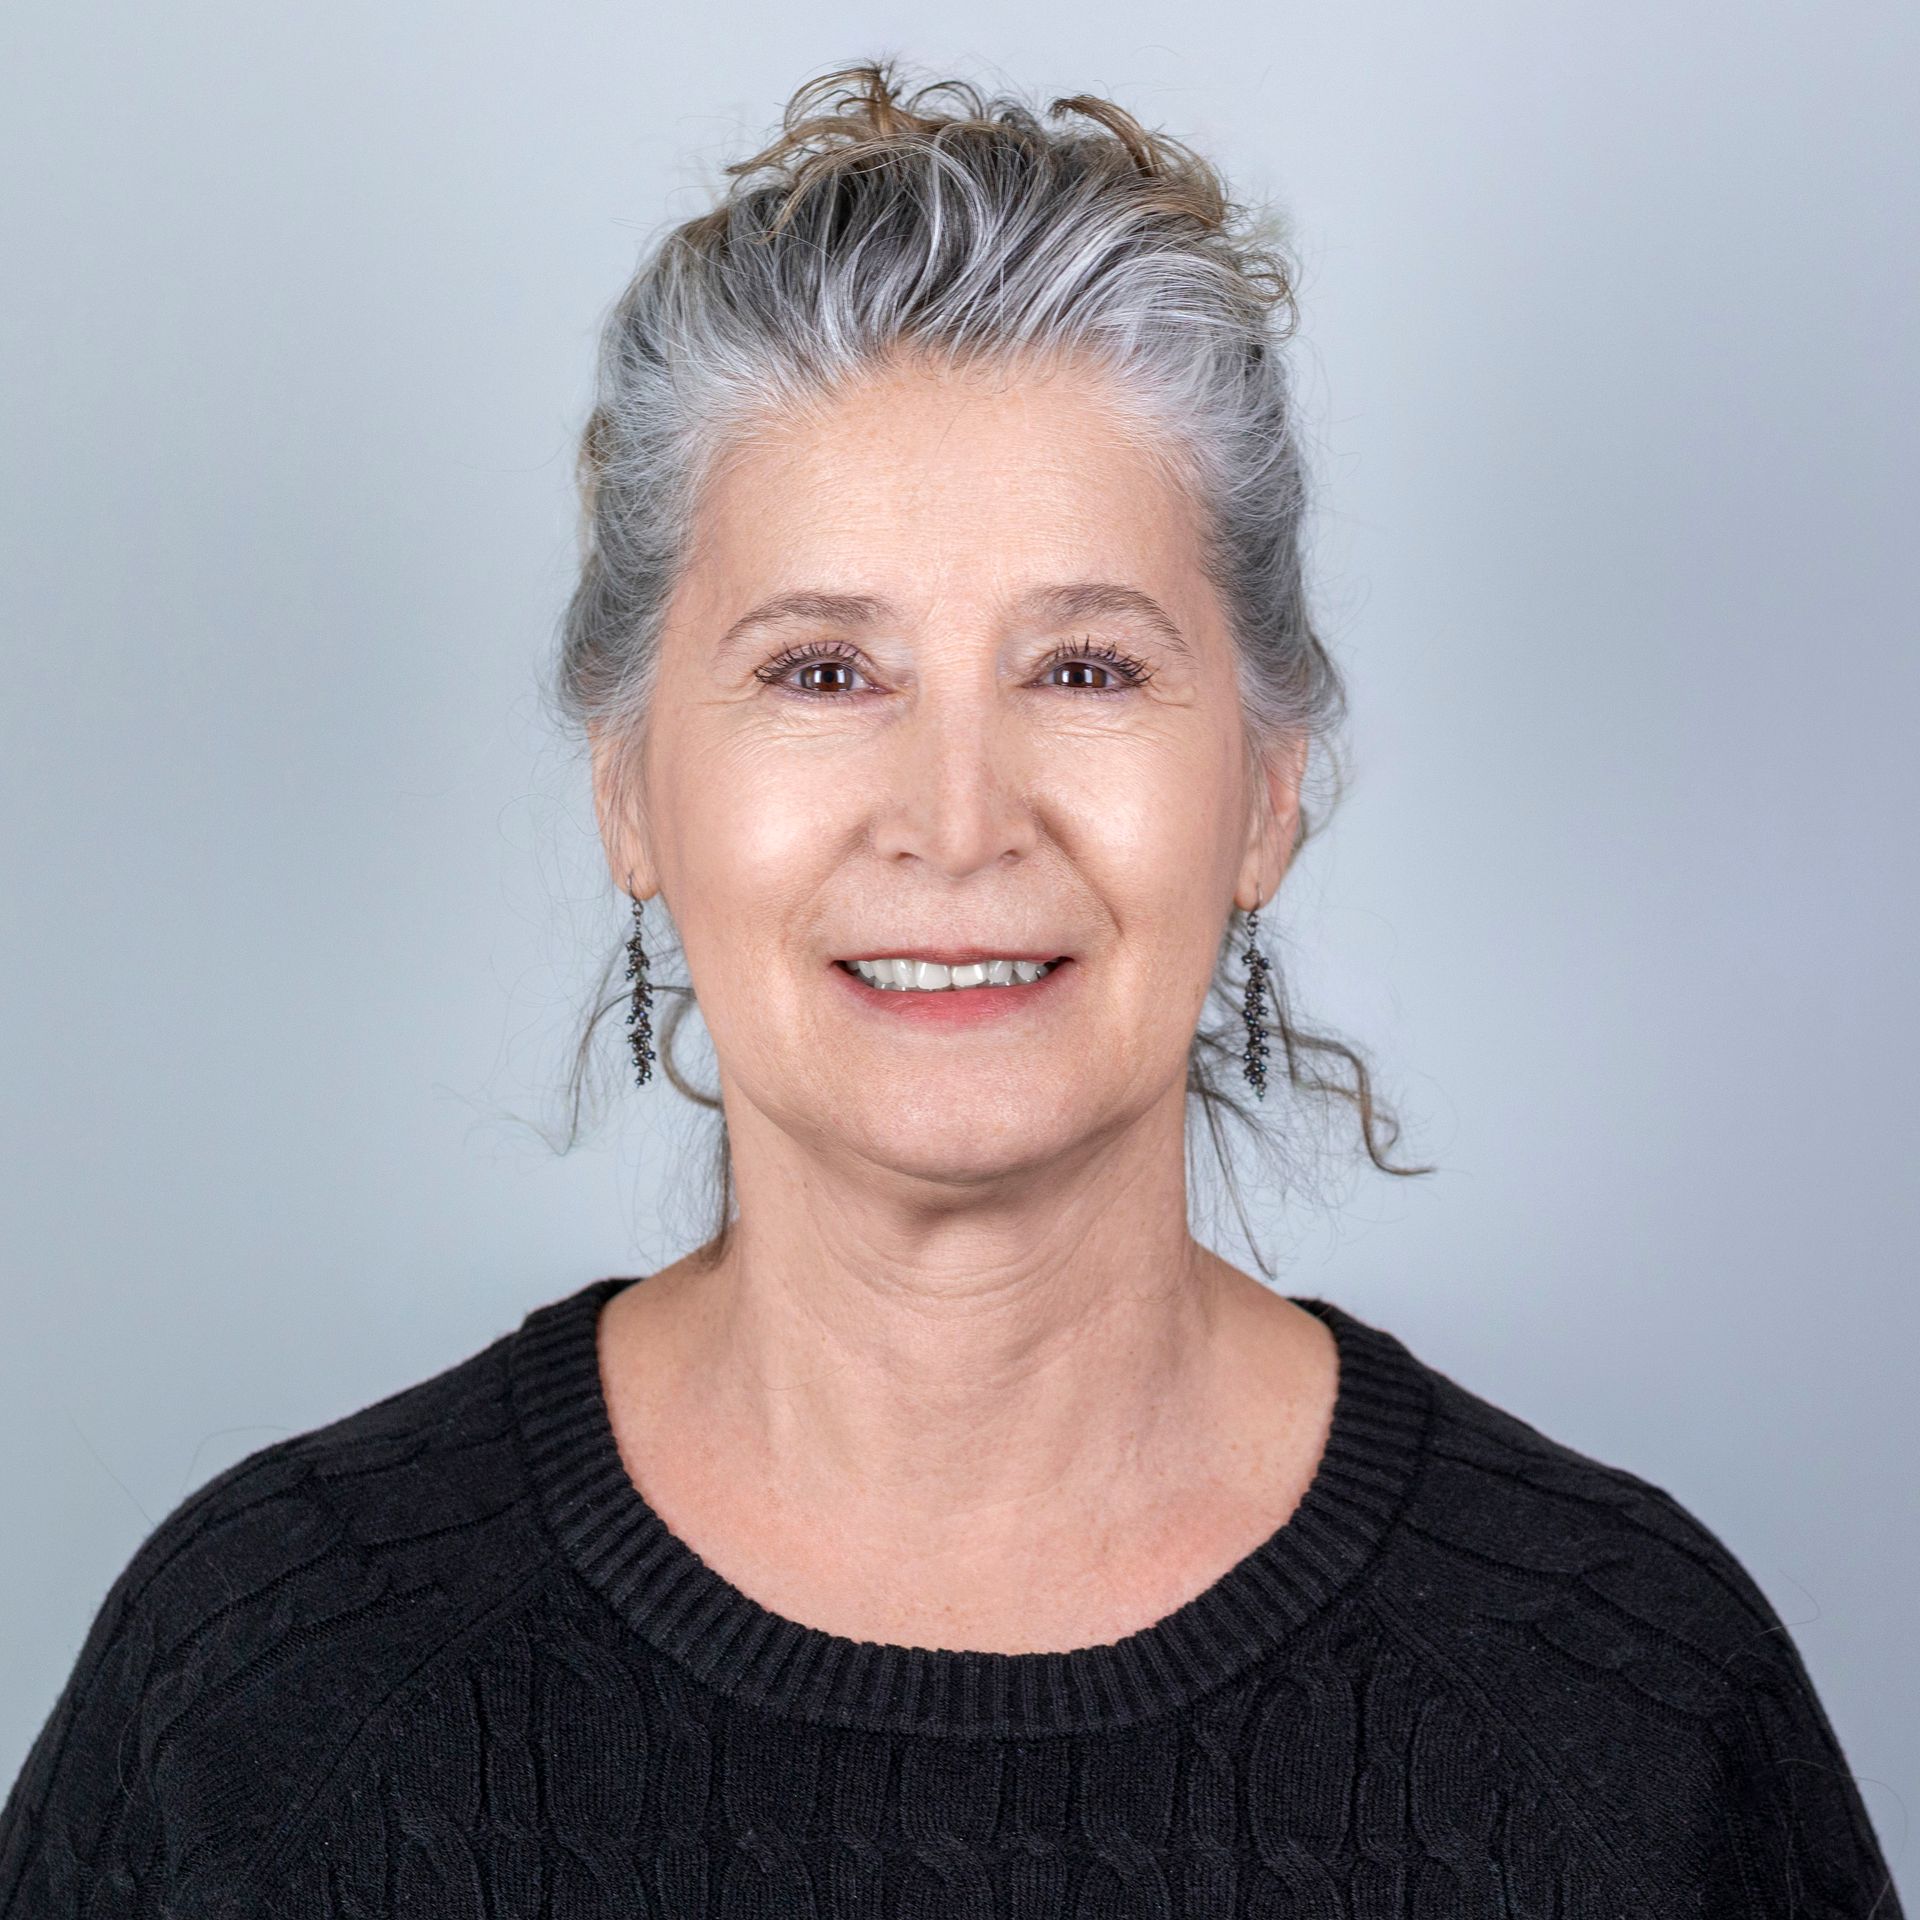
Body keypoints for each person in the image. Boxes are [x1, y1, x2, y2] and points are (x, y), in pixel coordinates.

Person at [1, 58, 1902, 1919]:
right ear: (630, 792)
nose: (956, 818)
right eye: (823, 671)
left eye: (1084, 669)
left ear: (1262, 792)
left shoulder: (1630, 1715)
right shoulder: (260, 1698)